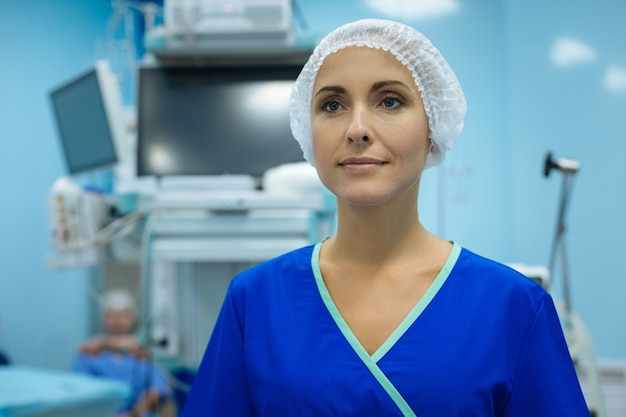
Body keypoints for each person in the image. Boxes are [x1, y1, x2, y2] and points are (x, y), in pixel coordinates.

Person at [181, 19, 590, 416]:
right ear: (308, 130)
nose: (357, 128)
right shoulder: (254, 302)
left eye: (390, 101)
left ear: (434, 126)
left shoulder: (514, 307)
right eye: (332, 105)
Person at [73, 289, 172, 417]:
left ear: (132, 318)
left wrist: (134, 413)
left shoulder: (142, 354)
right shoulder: (89, 354)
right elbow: (79, 391)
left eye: (124, 315)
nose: (118, 321)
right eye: (113, 315)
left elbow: (157, 390)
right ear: (104, 319)